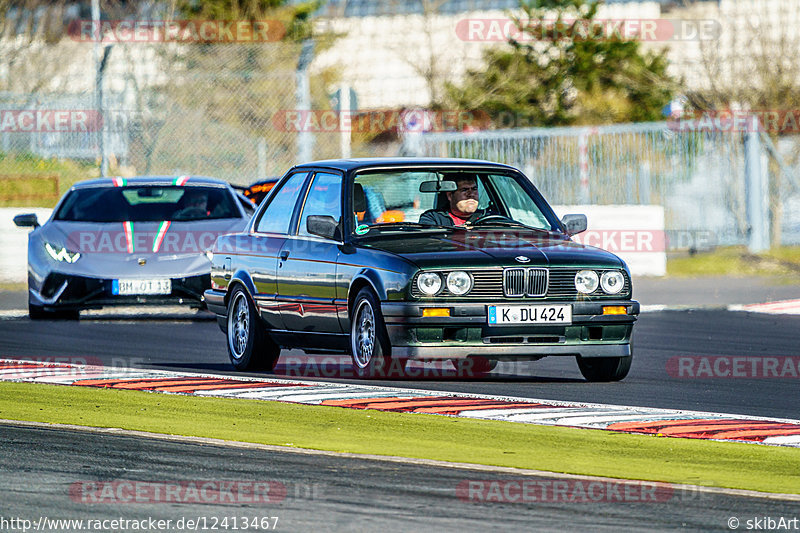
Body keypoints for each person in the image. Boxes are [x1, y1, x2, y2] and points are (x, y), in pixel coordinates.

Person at [418, 176, 487, 226]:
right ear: (450, 196)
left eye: (474, 189)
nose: (471, 194)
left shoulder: (489, 216)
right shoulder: (433, 218)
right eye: (464, 190)